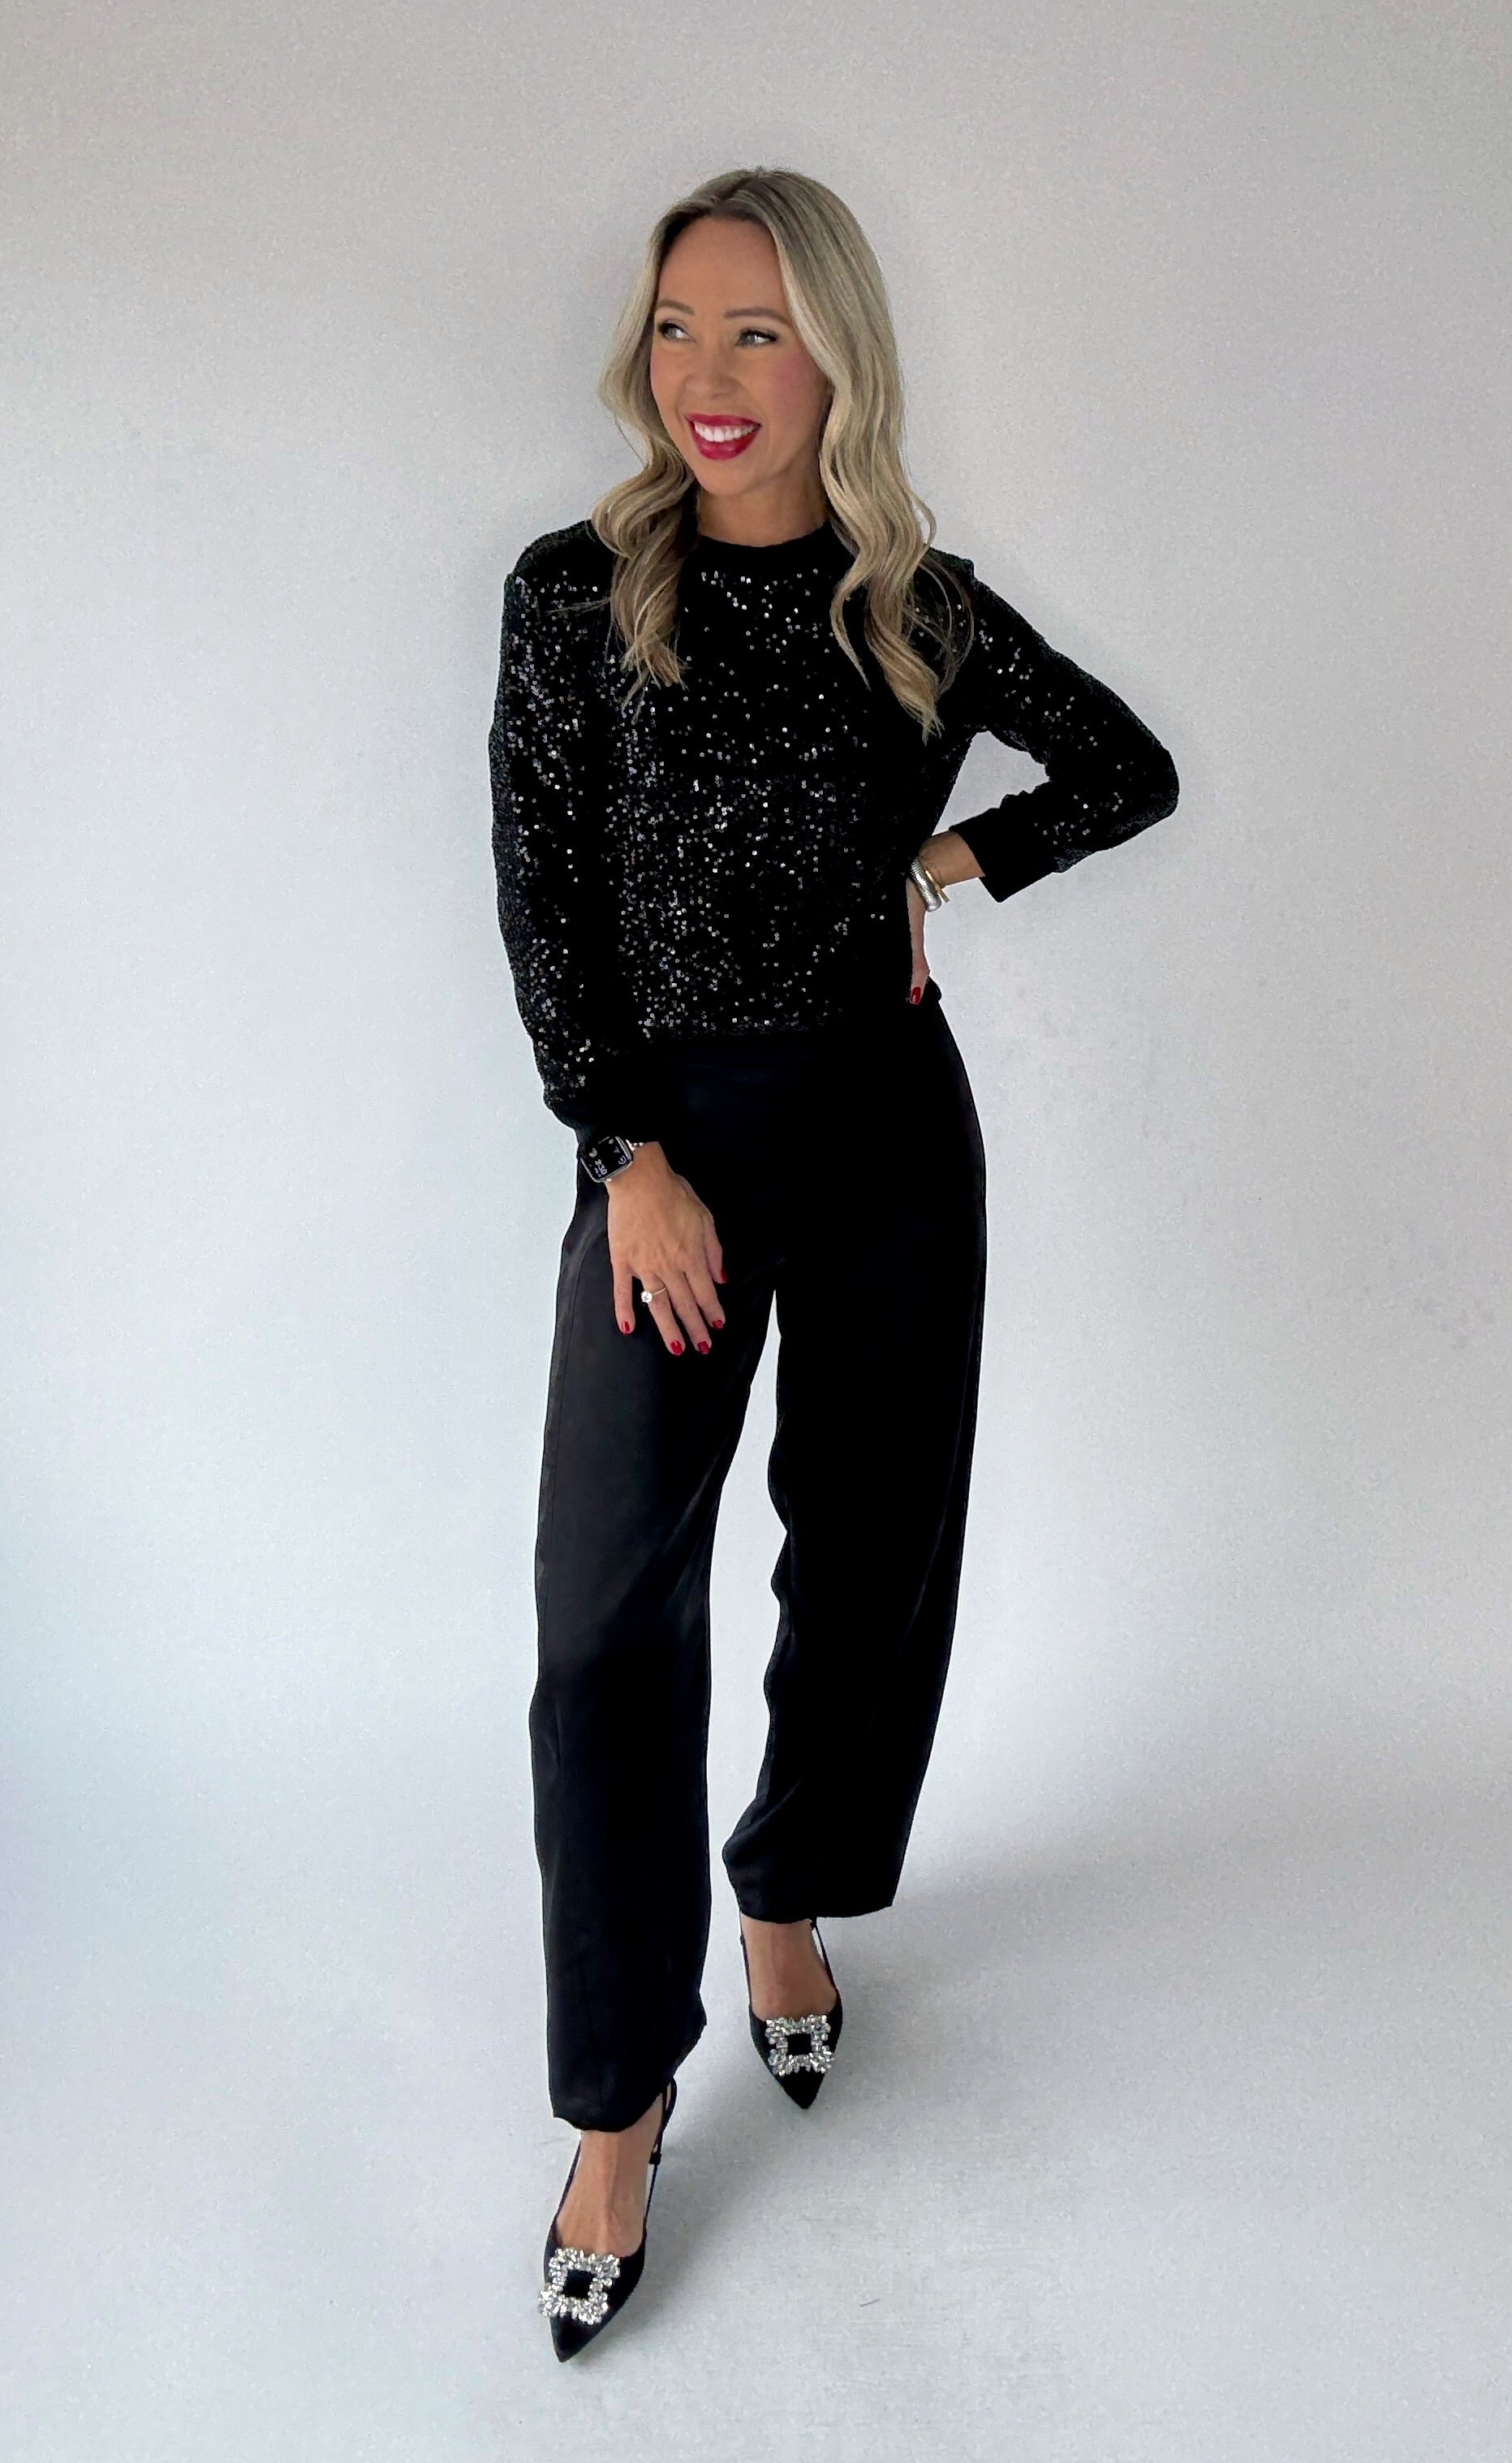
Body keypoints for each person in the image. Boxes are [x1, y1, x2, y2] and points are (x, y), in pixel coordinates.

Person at [487, 166, 1179, 2356]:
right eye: (677, 327)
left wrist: (947, 862)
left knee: (870, 1556)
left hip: (886, 1135)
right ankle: (616, 2102)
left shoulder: (917, 607)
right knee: (608, 1626)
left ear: (837, 360)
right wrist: (626, 1154)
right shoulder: (574, 593)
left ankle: (788, 1892)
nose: (707, 375)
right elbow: (543, 894)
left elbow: (1128, 771)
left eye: (758, 331)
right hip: (668, 1154)